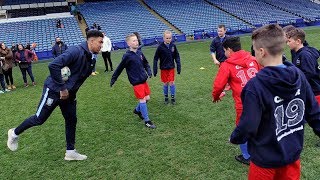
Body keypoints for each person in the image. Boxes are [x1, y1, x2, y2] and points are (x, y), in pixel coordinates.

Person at [229, 24, 320, 179]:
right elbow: (314, 113)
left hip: (265, 160)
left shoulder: (255, 86)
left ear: (261, 52)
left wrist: (235, 137)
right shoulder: (299, 75)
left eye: (254, 49)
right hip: (292, 155)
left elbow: (249, 125)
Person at [7, 30, 104, 160]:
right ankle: (14, 133)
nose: (102, 45)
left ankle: (70, 151)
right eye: (100, 42)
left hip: (69, 95)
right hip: (54, 90)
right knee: (39, 119)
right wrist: (62, 88)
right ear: (91, 41)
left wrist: (71, 92)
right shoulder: (75, 51)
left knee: (71, 120)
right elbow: (53, 65)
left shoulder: (91, 57)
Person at [212, 36, 259, 165]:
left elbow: (218, 85)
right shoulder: (253, 59)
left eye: (224, 51)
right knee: (259, 125)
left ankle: (247, 156)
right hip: (260, 101)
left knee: (242, 128)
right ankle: (261, 150)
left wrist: (216, 96)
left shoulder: (227, 65)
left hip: (243, 104)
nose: (224, 53)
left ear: (229, 50)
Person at [110, 33, 156, 129]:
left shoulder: (139, 52)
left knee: (147, 98)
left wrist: (149, 71)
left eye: (137, 40)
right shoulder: (127, 56)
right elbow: (119, 68)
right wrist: (114, 78)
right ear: (128, 44)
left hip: (143, 80)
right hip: (136, 82)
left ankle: (137, 110)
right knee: (142, 100)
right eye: (134, 41)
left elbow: (146, 63)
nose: (136, 42)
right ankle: (147, 121)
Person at [286, 28, 320, 104]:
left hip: (314, 92)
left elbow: (309, 73)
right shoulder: (297, 53)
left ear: (298, 41)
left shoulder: (304, 55)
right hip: (309, 91)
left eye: (289, 41)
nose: (287, 44)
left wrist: (294, 82)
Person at [153, 30, 181, 104]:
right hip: (163, 69)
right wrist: (155, 69)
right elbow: (155, 58)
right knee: (165, 83)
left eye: (170, 38)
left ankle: (172, 98)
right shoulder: (160, 47)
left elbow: (177, 56)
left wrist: (178, 66)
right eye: (167, 38)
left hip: (171, 68)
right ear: (163, 38)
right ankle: (166, 98)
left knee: (172, 82)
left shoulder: (173, 46)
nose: (168, 39)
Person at [210, 24, 230, 97]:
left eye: (221, 31)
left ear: (225, 31)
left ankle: (223, 89)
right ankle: (225, 87)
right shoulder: (215, 40)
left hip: (229, 60)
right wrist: (215, 59)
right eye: (218, 31)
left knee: (225, 74)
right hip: (220, 61)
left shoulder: (229, 39)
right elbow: (212, 51)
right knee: (225, 74)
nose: (219, 33)